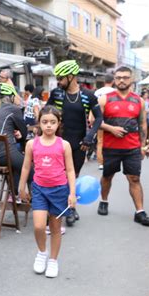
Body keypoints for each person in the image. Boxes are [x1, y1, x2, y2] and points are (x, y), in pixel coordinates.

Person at [19, 105, 76, 278]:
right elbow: (26, 166)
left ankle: (53, 260)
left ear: (59, 124)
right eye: (45, 122)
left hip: (59, 190)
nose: (49, 125)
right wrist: (21, 187)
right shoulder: (31, 144)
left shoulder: (64, 145)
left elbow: (70, 170)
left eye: (53, 122)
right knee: (38, 226)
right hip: (39, 190)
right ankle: (42, 252)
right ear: (39, 124)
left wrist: (72, 193)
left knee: (56, 228)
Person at [47, 60, 102, 227]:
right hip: (58, 143)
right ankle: (67, 209)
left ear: (71, 77)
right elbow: (45, 112)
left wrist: (90, 137)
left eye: (61, 78)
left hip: (79, 144)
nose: (59, 81)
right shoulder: (56, 93)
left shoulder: (88, 95)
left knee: (73, 177)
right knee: (59, 177)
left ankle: (70, 207)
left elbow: (99, 118)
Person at [96, 66, 149, 226]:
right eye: (118, 77)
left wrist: (143, 145)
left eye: (125, 77)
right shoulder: (105, 99)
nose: (121, 80)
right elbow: (94, 121)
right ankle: (104, 200)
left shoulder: (139, 101)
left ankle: (139, 212)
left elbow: (142, 124)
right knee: (107, 176)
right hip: (111, 147)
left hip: (132, 148)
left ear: (131, 79)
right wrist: (111, 128)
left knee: (134, 178)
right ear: (114, 79)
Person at [0, 83, 31, 198]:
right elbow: (23, 132)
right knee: (30, 167)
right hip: (4, 154)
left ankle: (14, 195)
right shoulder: (14, 109)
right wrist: (20, 137)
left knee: (17, 164)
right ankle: (35, 200)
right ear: (11, 97)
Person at [94, 74, 115, 170]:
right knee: (112, 140)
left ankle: (101, 163)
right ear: (113, 82)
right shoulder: (115, 92)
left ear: (104, 82)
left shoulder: (98, 92)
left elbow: (93, 106)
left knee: (100, 141)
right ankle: (112, 160)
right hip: (112, 120)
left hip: (99, 119)